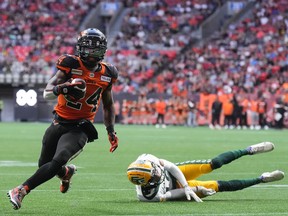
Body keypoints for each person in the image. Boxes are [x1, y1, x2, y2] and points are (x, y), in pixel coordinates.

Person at [7, 28, 119, 210]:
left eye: (95, 49)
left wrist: (111, 130)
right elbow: (47, 92)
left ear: (103, 51)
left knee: (58, 159)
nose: (91, 54)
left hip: (81, 127)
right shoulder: (70, 64)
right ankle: (66, 173)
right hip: (59, 122)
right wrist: (64, 88)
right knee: (44, 165)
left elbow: (108, 105)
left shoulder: (108, 73)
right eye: (88, 49)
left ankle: (21, 190)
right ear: (80, 48)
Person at [127, 142, 284, 202]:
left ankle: (248, 150)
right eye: (154, 175)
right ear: (148, 182)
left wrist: (186, 185)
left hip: (176, 173)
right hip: (176, 190)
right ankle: (262, 179)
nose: (157, 172)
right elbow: (172, 195)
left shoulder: (148, 160)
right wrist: (193, 189)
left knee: (212, 164)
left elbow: (172, 168)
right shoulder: (149, 197)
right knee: (218, 186)